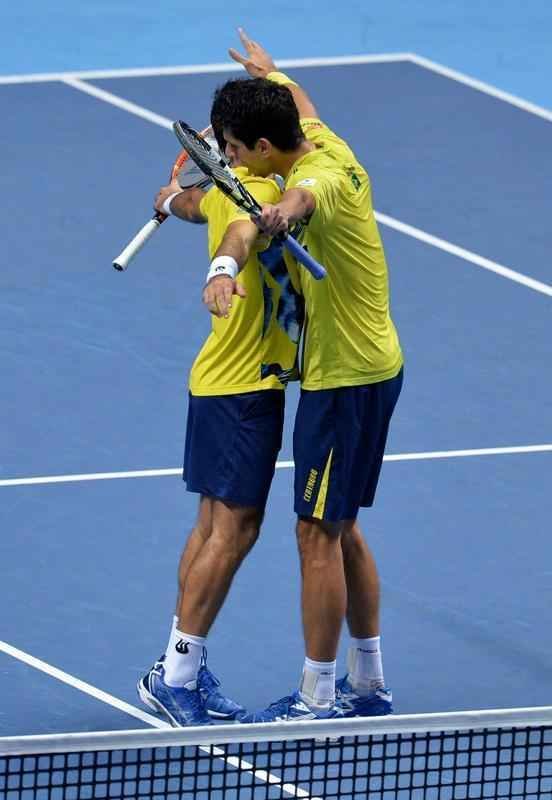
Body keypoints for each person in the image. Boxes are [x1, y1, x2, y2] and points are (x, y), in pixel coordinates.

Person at [209, 30, 404, 722]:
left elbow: (301, 204)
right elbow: (301, 101)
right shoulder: (324, 143)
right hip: (377, 364)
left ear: (265, 151)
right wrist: (272, 71)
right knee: (341, 525)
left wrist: (274, 213)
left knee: (315, 533)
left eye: (233, 149)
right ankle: (370, 681)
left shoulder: (314, 180)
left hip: (344, 378)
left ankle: (319, 697)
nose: (228, 156)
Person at [137, 117, 304, 726]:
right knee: (234, 531)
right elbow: (238, 234)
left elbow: (187, 204)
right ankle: (179, 674)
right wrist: (222, 270)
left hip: (215, 380)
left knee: (212, 525)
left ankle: (177, 660)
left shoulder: (217, 189)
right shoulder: (256, 195)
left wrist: (167, 198)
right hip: (246, 387)